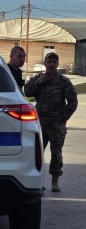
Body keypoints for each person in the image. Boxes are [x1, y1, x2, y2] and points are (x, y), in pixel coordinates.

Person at [24, 52, 78, 192]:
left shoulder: (63, 81)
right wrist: (41, 80)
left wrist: (63, 118)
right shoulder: (38, 79)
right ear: (45, 63)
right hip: (40, 123)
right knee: (37, 153)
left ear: (58, 64)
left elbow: (73, 101)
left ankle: (55, 181)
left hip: (56, 124)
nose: (52, 64)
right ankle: (37, 181)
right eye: (49, 61)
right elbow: (27, 92)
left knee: (56, 154)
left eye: (54, 62)